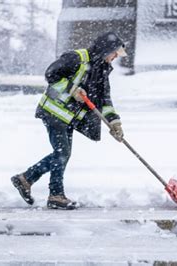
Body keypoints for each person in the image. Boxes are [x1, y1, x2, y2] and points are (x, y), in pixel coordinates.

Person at [11, 31, 127, 210]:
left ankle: (31, 181)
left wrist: (114, 122)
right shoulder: (77, 58)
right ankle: (50, 192)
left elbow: (104, 99)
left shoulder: (102, 69)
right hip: (53, 111)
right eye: (115, 53)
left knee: (62, 154)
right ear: (106, 50)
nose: (115, 57)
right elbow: (51, 74)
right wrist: (72, 89)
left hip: (68, 118)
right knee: (62, 153)